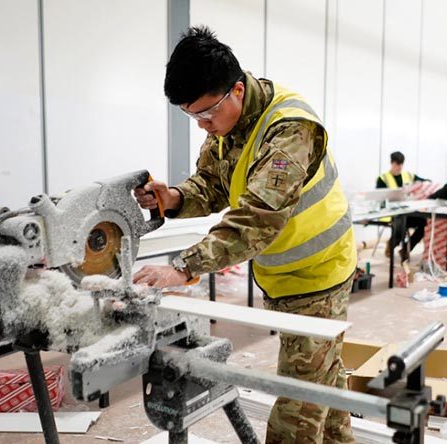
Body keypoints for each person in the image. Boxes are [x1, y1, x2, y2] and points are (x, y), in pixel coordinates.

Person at [132, 27, 356, 443]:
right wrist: (175, 197)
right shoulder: (225, 127)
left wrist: (184, 268)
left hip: (320, 273)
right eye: (191, 116)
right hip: (282, 275)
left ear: (236, 90)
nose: (202, 125)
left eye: (206, 113)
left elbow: (258, 218)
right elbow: (212, 186)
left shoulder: (290, 129)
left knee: (298, 403)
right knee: (323, 380)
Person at [376, 151, 429, 262]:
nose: (399, 168)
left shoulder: (408, 175)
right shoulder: (383, 178)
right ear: (391, 163)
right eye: (397, 165)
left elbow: (425, 181)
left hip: (408, 211)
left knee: (424, 223)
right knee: (401, 224)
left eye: (401, 165)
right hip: (393, 213)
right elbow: (378, 197)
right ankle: (391, 244)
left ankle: (405, 249)